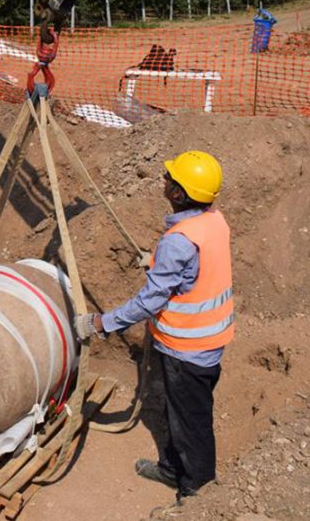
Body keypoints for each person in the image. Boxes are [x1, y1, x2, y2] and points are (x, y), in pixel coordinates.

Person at [74, 150, 232, 504]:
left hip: (187, 348)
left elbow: (149, 302)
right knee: (179, 413)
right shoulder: (214, 220)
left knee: (193, 423)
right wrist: (165, 265)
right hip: (206, 342)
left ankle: (195, 495)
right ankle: (172, 468)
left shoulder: (179, 240)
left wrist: (100, 324)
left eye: (169, 178)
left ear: (178, 193)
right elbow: (195, 270)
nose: (163, 180)